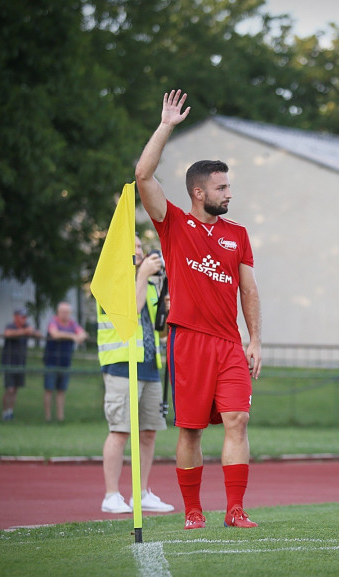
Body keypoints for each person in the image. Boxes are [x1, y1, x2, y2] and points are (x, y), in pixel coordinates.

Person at [134, 89, 263, 529]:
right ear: (197, 191)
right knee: (190, 431)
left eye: (229, 186)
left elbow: (249, 291)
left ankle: (235, 510)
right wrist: (167, 125)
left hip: (228, 344)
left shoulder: (238, 234)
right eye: (221, 187)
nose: (229, 193)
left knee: (238, 420)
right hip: (187, 341)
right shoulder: (172, 223)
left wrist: (255, 340)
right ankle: (193, 510)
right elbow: (143, 175)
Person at [99, 235, 174, 514]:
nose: (143, 252)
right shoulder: (109, 282)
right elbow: (131, 312)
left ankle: (140, 493)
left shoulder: (151, 285)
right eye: (136, 248)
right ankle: (111, 495)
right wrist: (142, 275)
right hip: (121, 365)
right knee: (120, 431)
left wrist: (168, 309)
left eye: (142, 247)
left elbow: (161, 329)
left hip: (149, 366)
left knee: (148, 432)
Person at [43, 301, 88, 422]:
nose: (65, 314)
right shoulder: (53, 322)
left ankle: (60, 417)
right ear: (58, 312)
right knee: (49, 389)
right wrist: (72, 336)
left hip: (65, 362)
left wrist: (79, 336)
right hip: (51, 361)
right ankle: (47, 417)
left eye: (67, 312)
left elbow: (83, 334)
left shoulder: (72, 324)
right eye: (63, 312)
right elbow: (55, 334)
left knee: (61, 390)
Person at [0, 308, 40, 422]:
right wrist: (24, 331)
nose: (24, 319)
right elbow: (7, 334)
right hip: (9, 362)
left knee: (15, 389)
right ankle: (5, 412)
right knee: (9, 389)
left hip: (21, 363)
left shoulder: (27, 326)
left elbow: (37, 333)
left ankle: (10, 412)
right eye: (22, 317)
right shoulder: (11, 326)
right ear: (15, 317)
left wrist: (32, 332)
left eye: (25, 317)